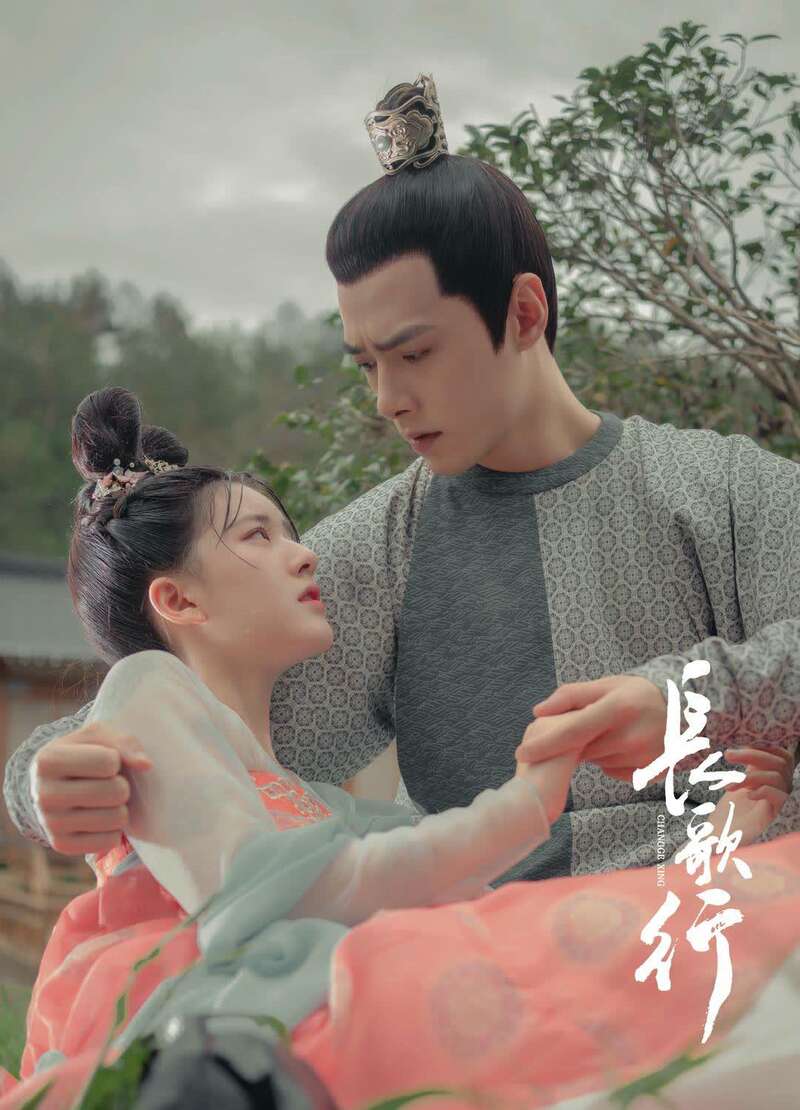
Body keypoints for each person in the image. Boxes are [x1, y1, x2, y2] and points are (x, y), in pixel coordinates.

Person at [4, 73, 800, 886]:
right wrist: (45, 782)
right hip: (468, 951)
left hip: (721, 930)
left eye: (415, 353)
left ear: (524, 314)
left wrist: (692, 700)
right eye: (367, 364)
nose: (388, 399)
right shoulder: (381, 553)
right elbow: (178, 719)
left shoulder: (725, 488)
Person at [2, 385, 800, 1110]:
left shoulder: (304, 795)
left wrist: (717, 834)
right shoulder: (150, 689)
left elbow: (425, 875)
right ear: (178, 600)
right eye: (258, 536)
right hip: (217, 1040)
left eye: (287, 532)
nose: (304, 553)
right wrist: (531, 797)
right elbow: (281, 891)